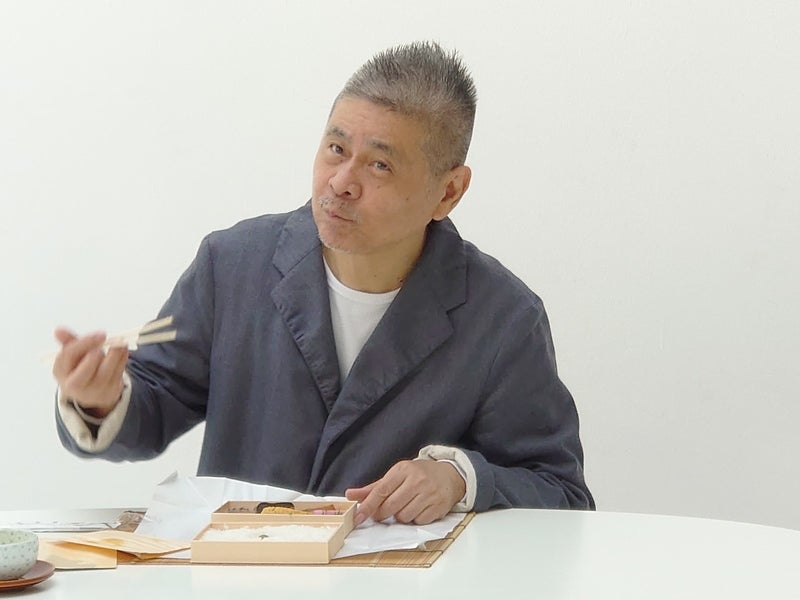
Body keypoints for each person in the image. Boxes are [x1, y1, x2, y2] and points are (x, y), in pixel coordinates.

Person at [53, 41, 594, 526]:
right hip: (239, 578)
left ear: (448, 192)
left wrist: (459, 479)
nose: (340, 182)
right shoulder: (231, 265)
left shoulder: (502, 318)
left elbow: (561, 493)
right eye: (336, 149)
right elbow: (153, 402)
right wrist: (100, 402)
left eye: (379, 166)